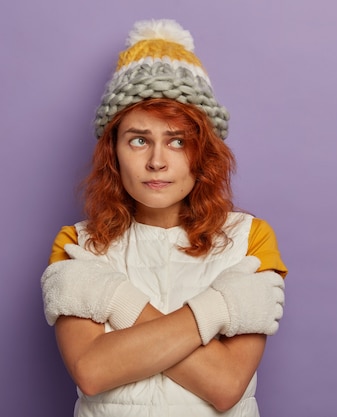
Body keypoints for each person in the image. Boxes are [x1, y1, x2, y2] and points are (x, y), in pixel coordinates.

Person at [40, 19, 287, 417]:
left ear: (203, 151)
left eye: (178, 141)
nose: (157, 161)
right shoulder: (74, 244)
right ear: (113, 152)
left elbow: (225, 387)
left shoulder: (251, 238)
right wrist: (222, 306)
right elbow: (92, 371)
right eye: (139, 139)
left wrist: (110, 299)